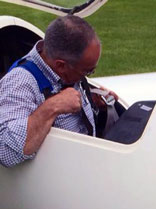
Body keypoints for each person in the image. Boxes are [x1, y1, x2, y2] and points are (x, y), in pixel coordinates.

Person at [0, 15, 116, 168]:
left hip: (85, 164)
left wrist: (90, 98)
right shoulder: (20, 83)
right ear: (61, 65)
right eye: (87, 72)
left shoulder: (63, 68)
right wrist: (53, 106)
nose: (88, 75)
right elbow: (5, 152)